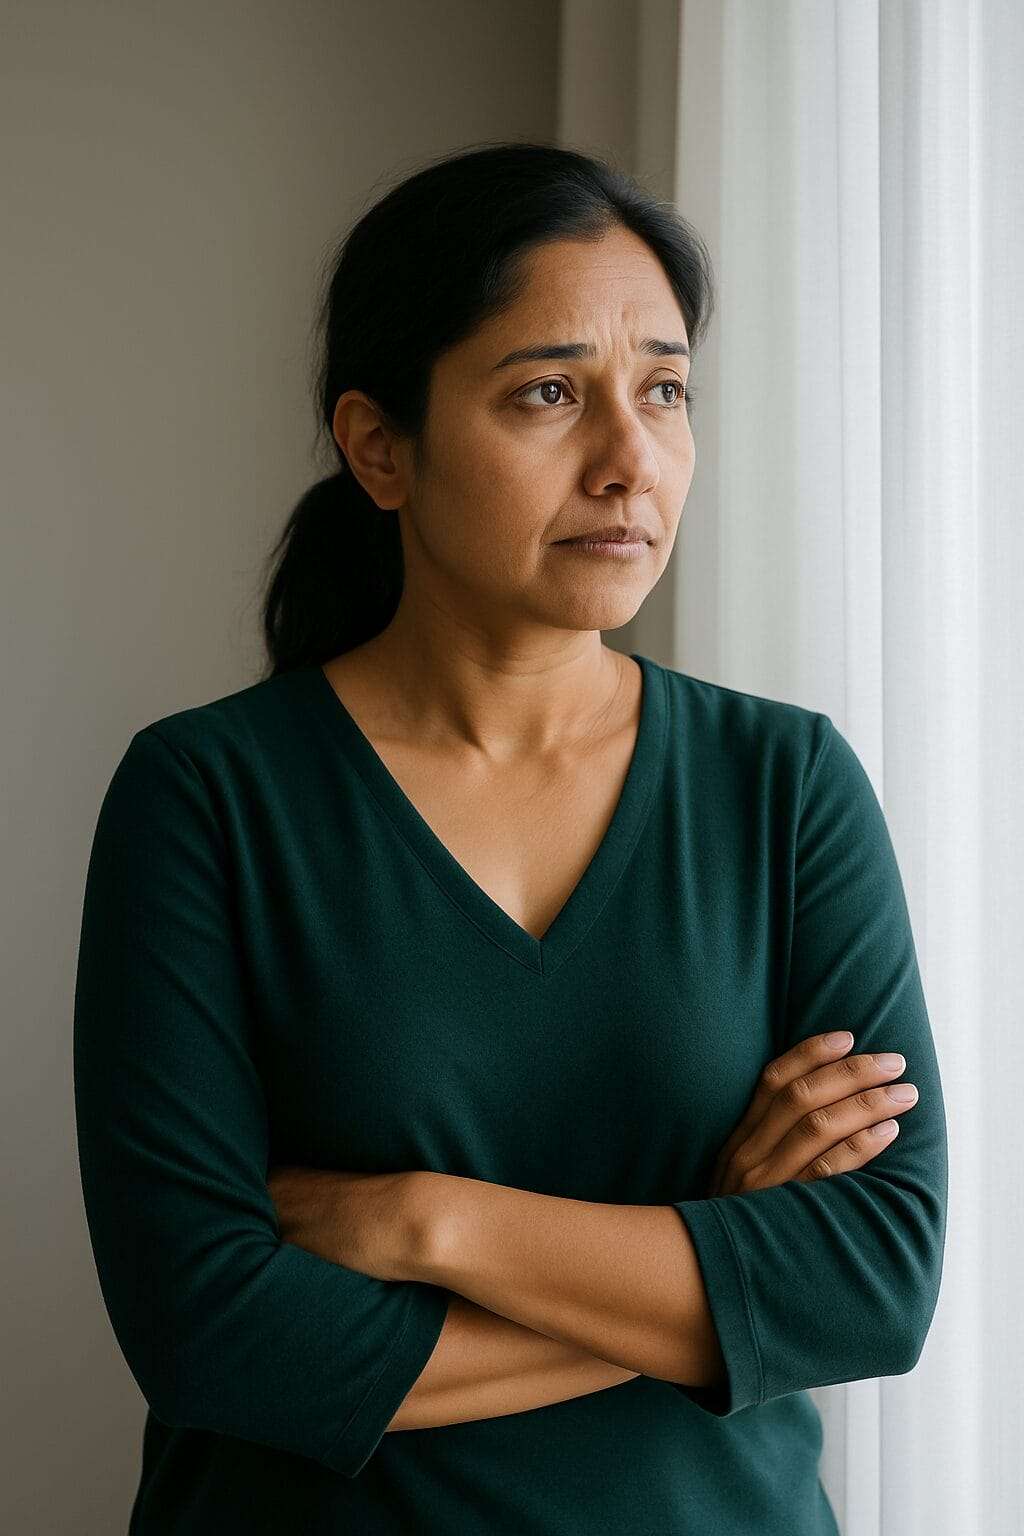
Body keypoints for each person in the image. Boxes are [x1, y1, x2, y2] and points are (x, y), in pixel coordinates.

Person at [73, 140, 947, 1535]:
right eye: (550, 392)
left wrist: (438, 1224)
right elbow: (214, 1337)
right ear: (380, 446)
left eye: (664, 391)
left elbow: (874, 1284)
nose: (630, 458)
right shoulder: (208, 797)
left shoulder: (784, 783)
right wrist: (712, 1261)